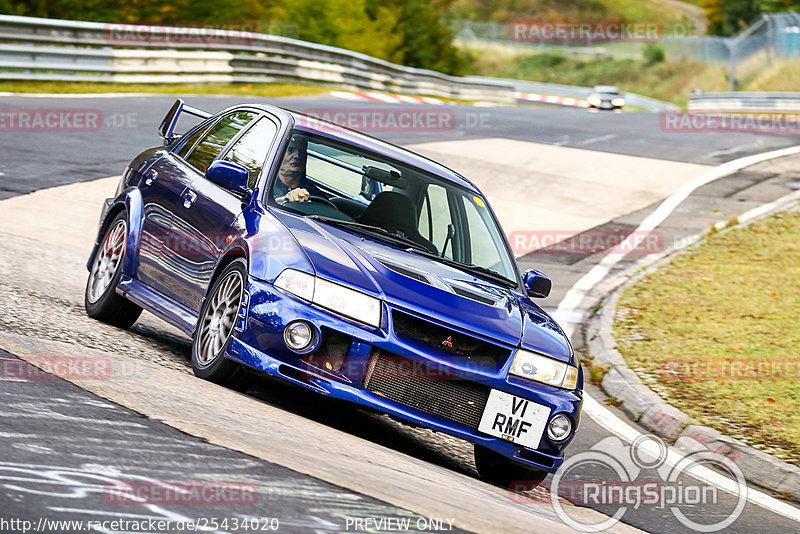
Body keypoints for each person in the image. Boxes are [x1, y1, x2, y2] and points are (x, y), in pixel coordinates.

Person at [272, 133, 323, 204]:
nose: (297, 155)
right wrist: (285, 199)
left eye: (301, 151)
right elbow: (269, 201)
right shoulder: (267, 185)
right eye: (290, 150)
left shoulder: (316, 194)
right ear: (277, 155)